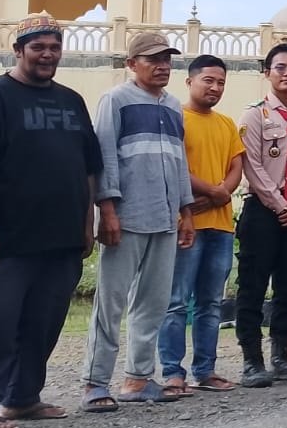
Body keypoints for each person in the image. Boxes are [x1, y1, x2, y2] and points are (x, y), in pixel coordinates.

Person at [0, 15, 101, 427]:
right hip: (5, 239)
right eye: (38, 47)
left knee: (42, 325)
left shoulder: (72, 100)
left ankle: (22, 399)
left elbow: (89, 166)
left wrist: (86, 221)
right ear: (18, 50)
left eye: (54, 47)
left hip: (60, 239)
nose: (47, 55)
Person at [83, 32, 196, 412]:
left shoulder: (174, 106)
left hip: (164, 218)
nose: (163, 66)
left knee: (153, 302)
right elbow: (104, 158)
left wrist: (186, 213)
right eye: (153, 59)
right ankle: (96, 382)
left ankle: (138, 377)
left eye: (167, 59)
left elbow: (180, 163)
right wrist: (108, 210)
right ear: (132, 64)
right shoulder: (115, 100)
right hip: (127, 216)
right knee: (110, 303)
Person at [234, 42, 287, 387]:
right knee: (252, 286)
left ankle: (281, 356)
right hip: (262, 211)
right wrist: (279, 203)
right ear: (267, 72)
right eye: (280, 67)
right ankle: (251, 361)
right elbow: (251, 165)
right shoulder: (253, 115)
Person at [158, 55, 244, 395]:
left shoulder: (225, 123)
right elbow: (174, 164)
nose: (215, 87)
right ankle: (172, 372)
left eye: (221, 82)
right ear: (189, 81)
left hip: (221, 226)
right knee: (177, 300)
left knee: (211, 302)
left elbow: (236, 165)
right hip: (186, 222)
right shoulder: (175, 117)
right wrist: (212, 190)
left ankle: (205, 370)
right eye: (208, 80)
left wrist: (223, 191)